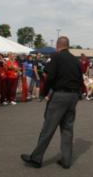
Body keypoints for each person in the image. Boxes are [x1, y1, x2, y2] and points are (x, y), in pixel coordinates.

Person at [21, 36, 84, 169]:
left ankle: (36, 158)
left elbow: (49, 76)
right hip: (73, 96)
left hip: (60, 95)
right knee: (67, 128)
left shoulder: (55, 56)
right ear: (68, 45)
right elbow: (80, 80)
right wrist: (78, 95)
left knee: (48, 127)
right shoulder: (76, 60)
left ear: (57, 45)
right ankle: (66, 160)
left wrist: (44, 93)